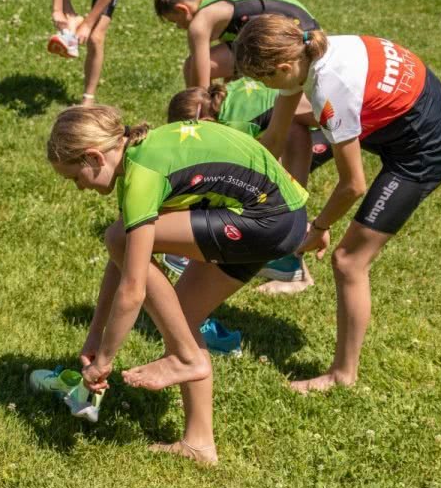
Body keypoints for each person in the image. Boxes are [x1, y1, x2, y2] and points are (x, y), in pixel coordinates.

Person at [47, 105, 310, 464]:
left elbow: (133, 287)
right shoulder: (141, 156)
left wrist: (104, 361)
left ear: (94, 156)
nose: (79, 188)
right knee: (180, 315)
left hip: (268, 219)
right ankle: (199, 444)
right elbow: (119, 262)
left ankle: (185, 358)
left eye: (76, 177)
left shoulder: (143, 173)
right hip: (280, 217)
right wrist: (95, 337)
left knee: (122, 241)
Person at [233, 17, 441, 393]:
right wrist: (236, 185)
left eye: (265, 81)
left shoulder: (328, 87)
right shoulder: (308, 49)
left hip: (421, 151)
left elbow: (352, 185)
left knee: (348, 260)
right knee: (292, 123)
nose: (264, 89)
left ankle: (342, 375)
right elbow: (274, 137)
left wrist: (318, 228)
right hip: (405, 110)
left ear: (284, 68)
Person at [166, 81, 334, 293]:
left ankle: (289, 257)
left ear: (205, 122)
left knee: (252, 190)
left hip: (343, 126)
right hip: (324, 123)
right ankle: (289, 258)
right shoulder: (225, 97)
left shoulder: (235, 124)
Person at [153, 0, 320, 89]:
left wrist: (197, 117)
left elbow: (200, 86)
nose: (178, 27)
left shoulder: (200, 23)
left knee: (191, 66)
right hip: (309, 31)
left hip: (296, 40)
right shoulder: (218, 2)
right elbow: (232, 70)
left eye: (175, 21)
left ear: (182, 9)